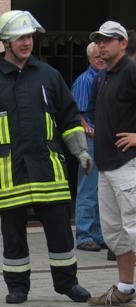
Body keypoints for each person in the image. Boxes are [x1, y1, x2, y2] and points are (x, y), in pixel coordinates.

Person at [0, 10, 92, 305]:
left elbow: (69, 117)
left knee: (60, 231)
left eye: (29, 36)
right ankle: (18, 287)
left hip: (48, 169)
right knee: (14, 234)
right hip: (9, 173)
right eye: (20, 37)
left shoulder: (49, 75)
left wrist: (79, 150)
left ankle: (67, 283)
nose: (27, 42)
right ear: (5, 41)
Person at [83, 21, 136, 307]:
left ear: (123, 44)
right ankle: (126, 288)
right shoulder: (102, 76)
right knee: (115, 233)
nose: (102, 45)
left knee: (135, 228)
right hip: (106, 167)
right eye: (99, 41)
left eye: (108, 40)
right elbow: (92, 114)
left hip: (129, 165)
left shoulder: (131, 71)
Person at [71, 43, 106, 252]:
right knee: (88, 189)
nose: (101, 60)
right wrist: (87, 128)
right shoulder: (85, 80)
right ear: (89, 59)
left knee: (102, 189)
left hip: (103, 140)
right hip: (90, 140)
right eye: (96, 58)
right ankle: (84, 235)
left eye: (102, 56)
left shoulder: (105, 77)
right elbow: (77, 112)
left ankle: (99, 235)